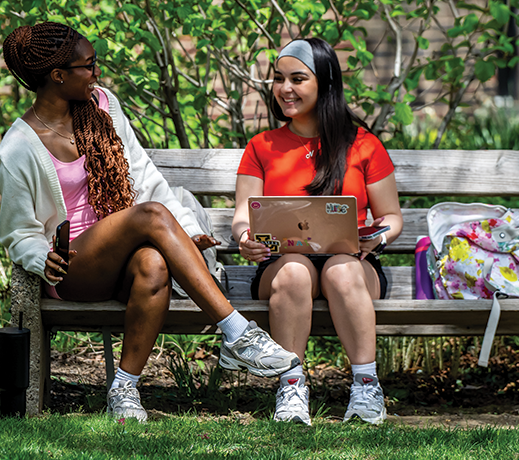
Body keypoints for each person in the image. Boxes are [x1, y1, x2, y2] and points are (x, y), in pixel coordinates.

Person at [0, 22, 300, 422]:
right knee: (150, 215)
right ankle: (237, 334)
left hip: (126, 253)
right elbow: (18, 233)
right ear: (57, 76)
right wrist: (41, 258)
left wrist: (187, 231)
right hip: (75, 266)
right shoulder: (18, 146)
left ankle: (124, 389)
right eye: (88, 66)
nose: (97, 73)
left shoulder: (103, 106)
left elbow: (143, 177)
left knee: (154, 263)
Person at [232, 37, 403, 425]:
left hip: (354, 264)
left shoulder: (362, 144)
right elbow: (243, 214)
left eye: (297, 78)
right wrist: (245, 238)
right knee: (293, 270)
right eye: (278, 79)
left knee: (340, 269)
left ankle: (366, 388)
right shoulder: (262, 146)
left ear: (325, 84)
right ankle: (291, 387)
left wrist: (377, 236)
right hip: (282, 265)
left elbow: (392, 215)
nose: (285, 89)